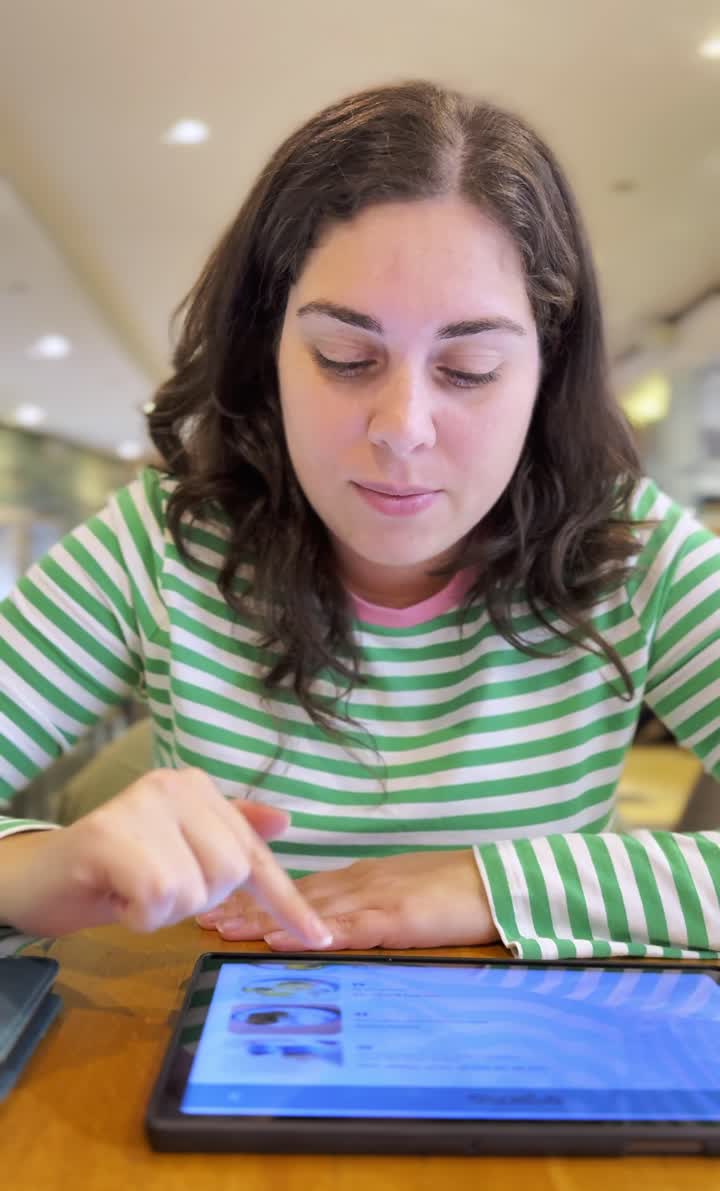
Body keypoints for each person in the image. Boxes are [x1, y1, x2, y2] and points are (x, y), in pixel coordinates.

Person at [1, 80, 718, 959]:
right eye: (346, 358)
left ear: (545, 372)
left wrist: (485, 885)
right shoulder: (163, 541)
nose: (401, 431)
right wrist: (38, 869)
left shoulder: (631, 551)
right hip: (231, 1054)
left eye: (471, 368)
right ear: (269, 354)